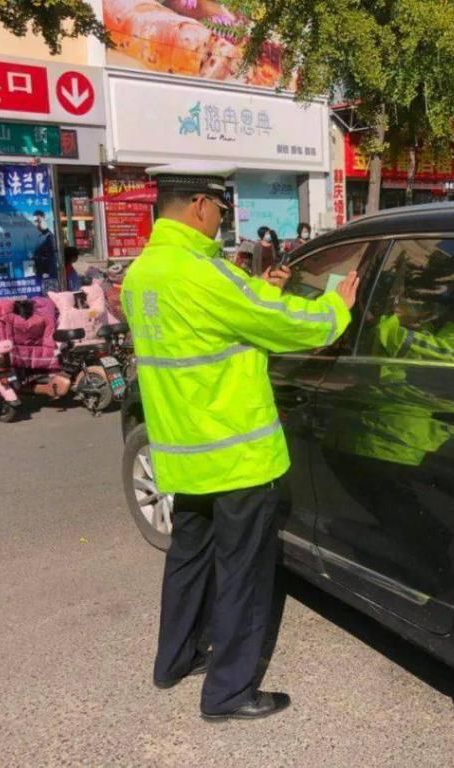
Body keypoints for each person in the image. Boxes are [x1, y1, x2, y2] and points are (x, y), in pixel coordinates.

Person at [121, 162, 359, 722]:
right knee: (243, 574)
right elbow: (278, 325)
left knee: (188, 557)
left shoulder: (143, 273)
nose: (221, 221)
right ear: (200, 205)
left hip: (183, 450)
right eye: (220, 210)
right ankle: (229, 692)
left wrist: (258, 288)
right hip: (235, 451)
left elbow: (219, 320)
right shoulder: (204, 274)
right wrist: (335, 309)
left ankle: (173, 660)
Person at [31, 210, 57, 279]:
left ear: (44, 219)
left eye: (38, 221)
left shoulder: (49, 236)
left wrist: (34, 257)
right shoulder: (34, 236)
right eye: (35, 221)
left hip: (46, 274)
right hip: (37, 272)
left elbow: (51, 256)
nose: (36, 224)